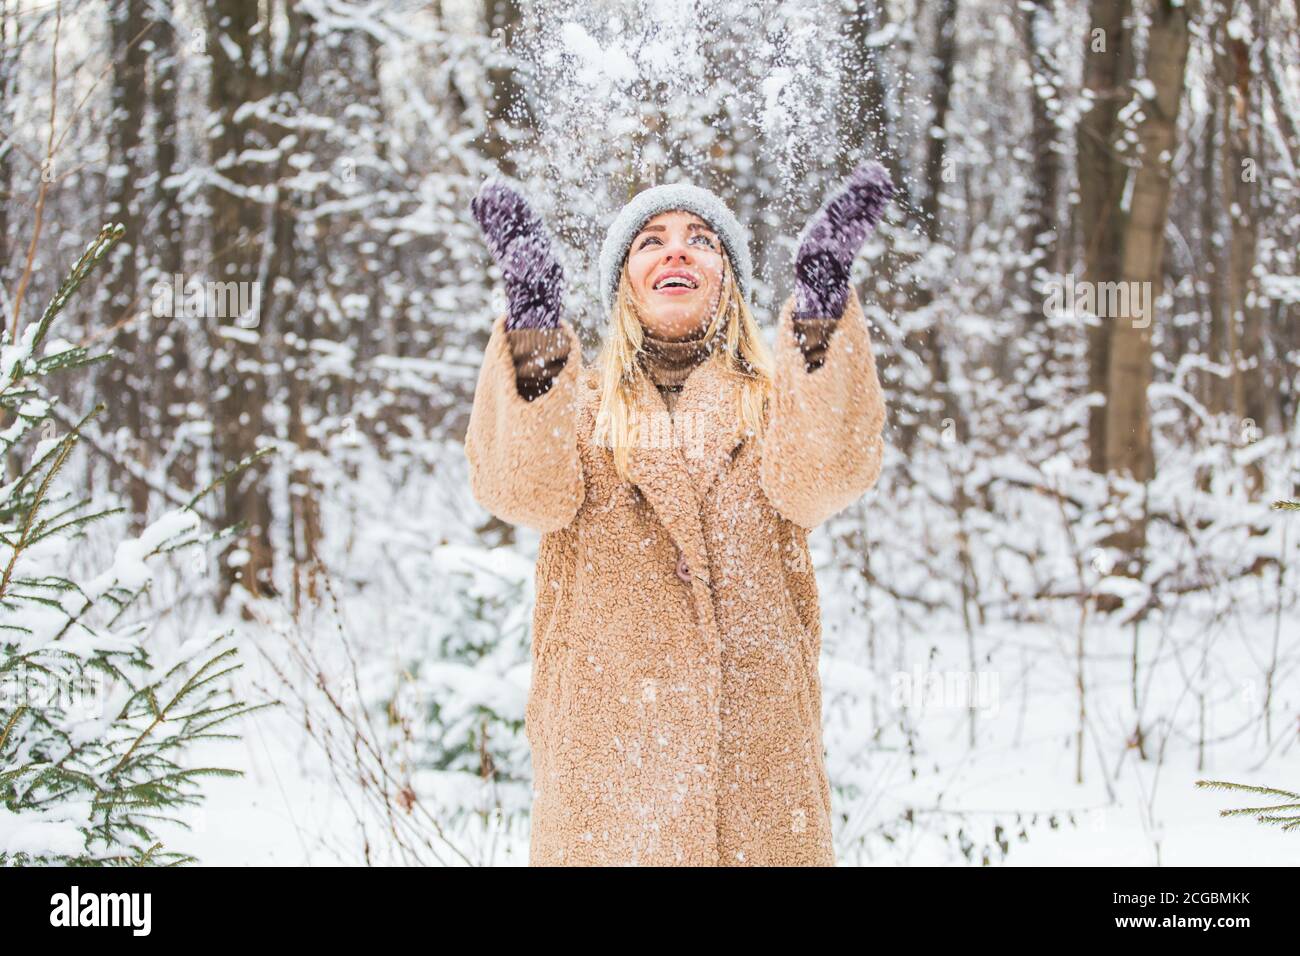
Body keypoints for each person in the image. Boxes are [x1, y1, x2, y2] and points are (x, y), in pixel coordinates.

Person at [464, 162, 892, 866]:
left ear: (727, 279)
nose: (677, 250)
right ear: (624, 284)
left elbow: (827, 475)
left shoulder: (774, 408)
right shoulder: (580, 412)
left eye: (701, 239)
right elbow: (521, 491)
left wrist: (820, 307)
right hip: (607, 798)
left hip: (755, 797)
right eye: (650, 241)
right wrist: (534, 325)